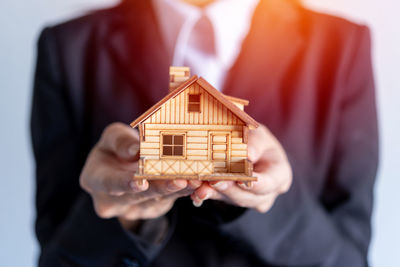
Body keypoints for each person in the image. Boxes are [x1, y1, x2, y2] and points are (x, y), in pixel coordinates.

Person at [31, 0, 379, 266]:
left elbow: (348, 257)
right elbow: (55, 257)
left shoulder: (343, 47)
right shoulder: (67, 47)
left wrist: (264, 200)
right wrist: (123, 217)